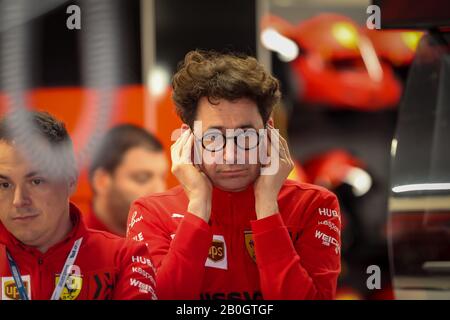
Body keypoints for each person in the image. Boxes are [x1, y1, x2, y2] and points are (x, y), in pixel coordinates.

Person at [127, 50, 341, 300]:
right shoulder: (151, 212)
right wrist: (197, 206)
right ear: (188, 138)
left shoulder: (314, 205)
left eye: (246, 137)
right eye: (213, 138)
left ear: (269, 132)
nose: (230, 156)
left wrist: (267, 206)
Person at [0, 111, 157, 300]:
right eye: (4, 185)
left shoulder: (124, 257)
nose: (18, 200)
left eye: (36, 181)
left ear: (71, 180)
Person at [87, 124, 168, 236]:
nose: (160, 191)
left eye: (163, 177)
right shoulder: (74, 250)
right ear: (101, 182)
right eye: (142, 178)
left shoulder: (169, 243)